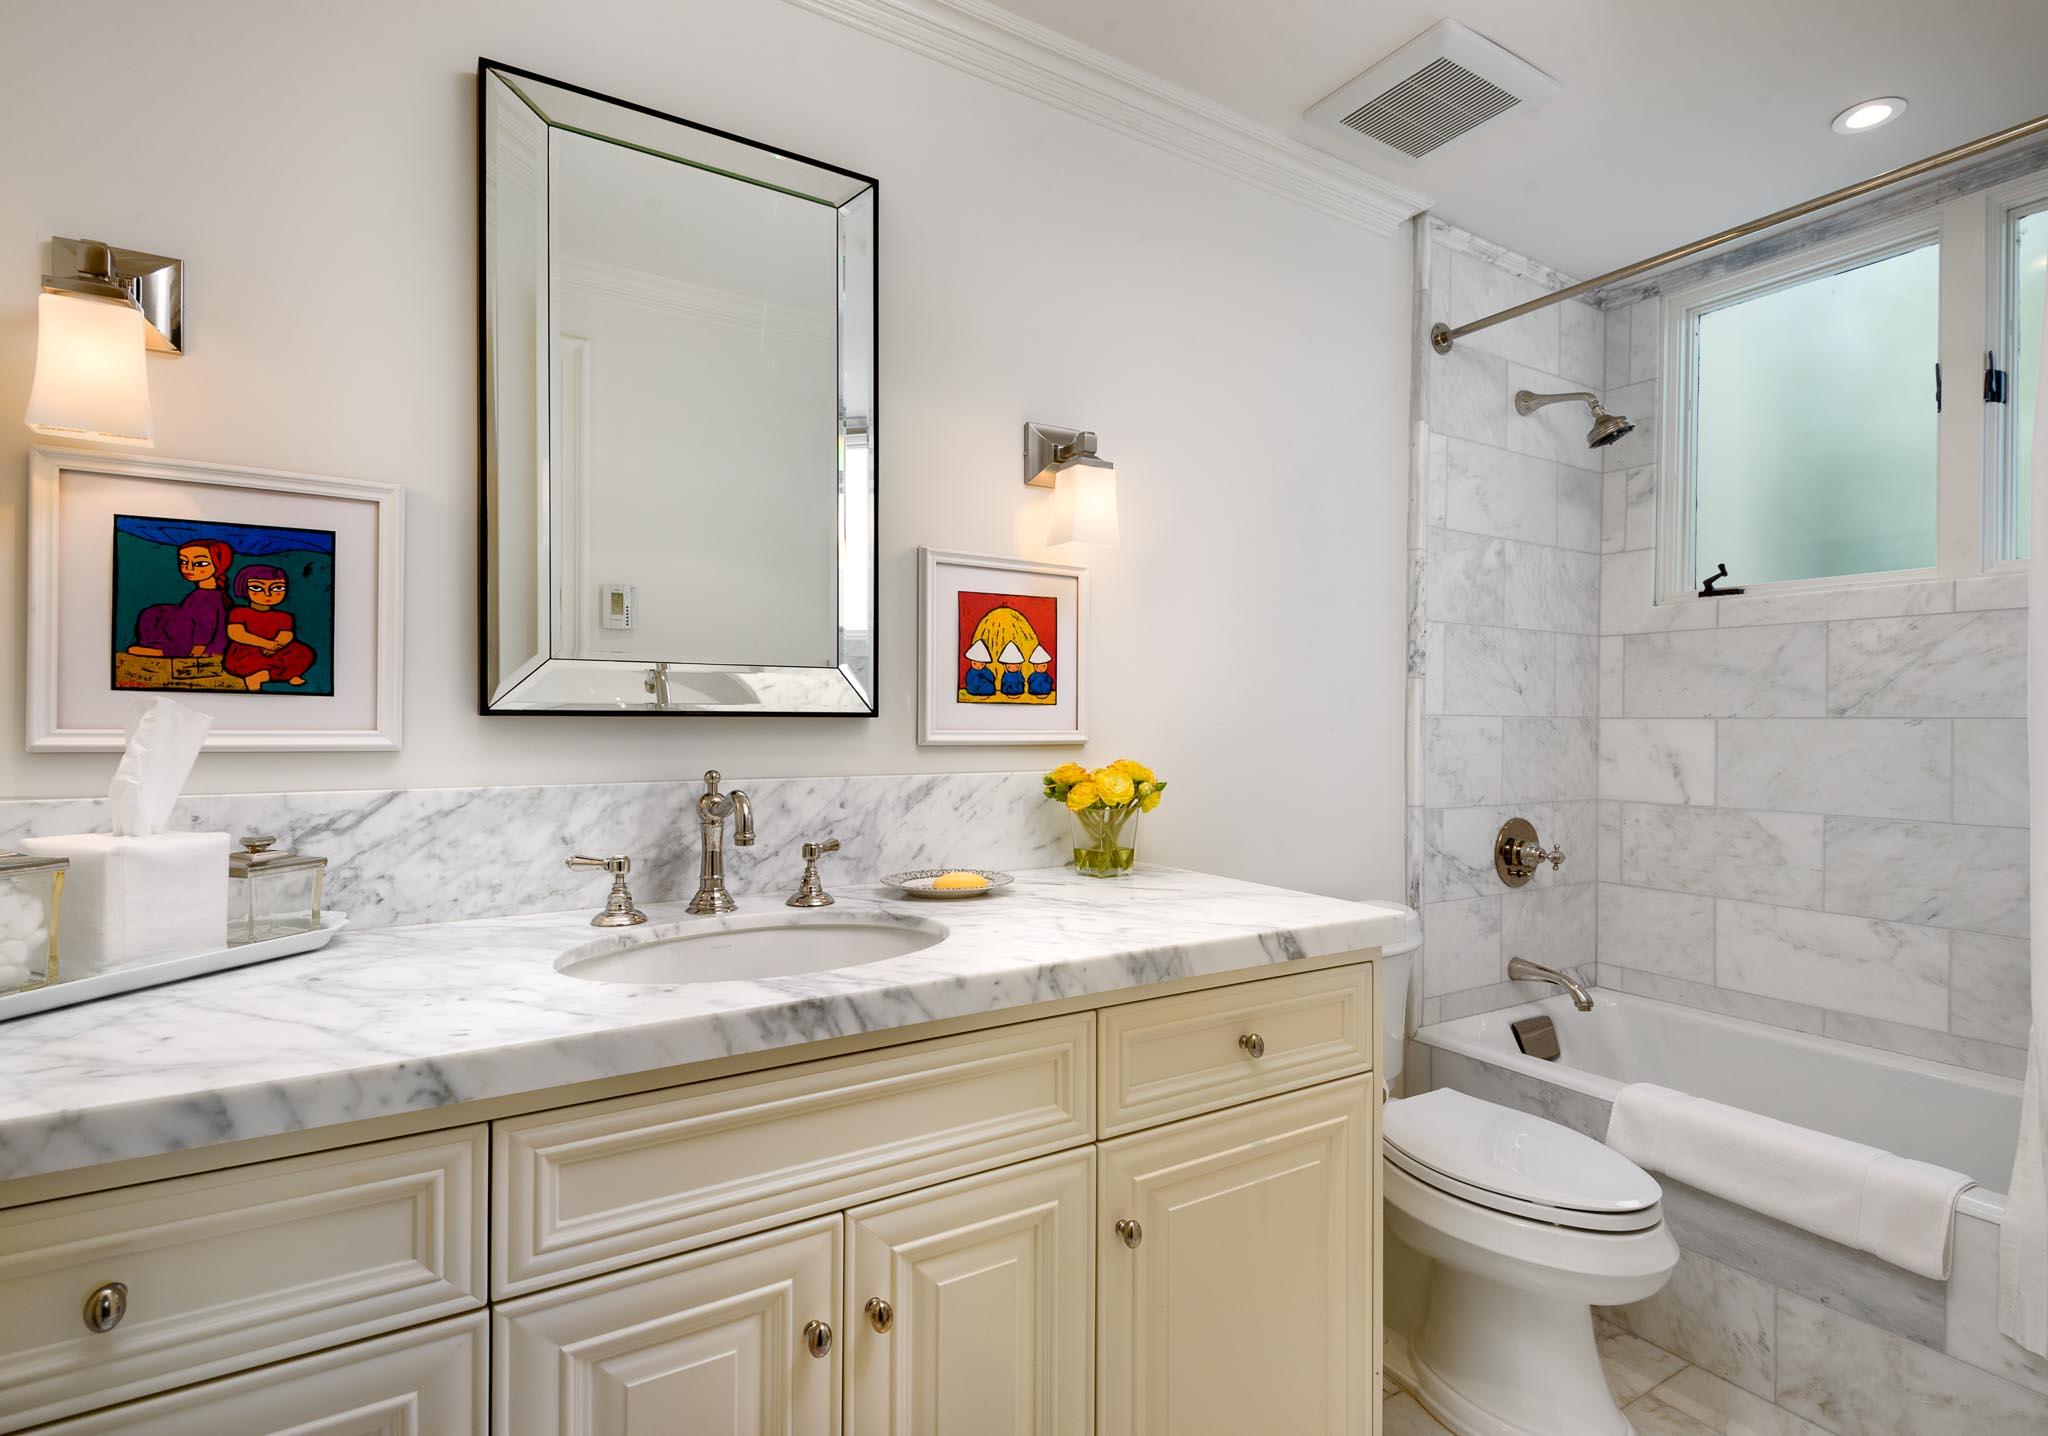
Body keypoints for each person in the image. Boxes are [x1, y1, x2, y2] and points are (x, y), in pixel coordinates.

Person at [127, 540, 232, 658]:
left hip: (205, 647)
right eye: (183, 561)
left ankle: (164, 651)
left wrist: (199, 646)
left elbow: (206, 623)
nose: (189, 568)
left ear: (219, 564)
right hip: (202, 643)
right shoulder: (205, 594)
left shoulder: (205, 596)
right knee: (158, 612)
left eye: (200, 563)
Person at [222, 565, 317, 690]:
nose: (268, 594)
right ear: (244, 588)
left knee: (304, 653)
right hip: (247, 652)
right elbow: (236, 633)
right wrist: (265, 644)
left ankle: (263, 676)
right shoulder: (239, 612)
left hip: (274, 650)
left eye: (277, 588)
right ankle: (284, 674)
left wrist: (276, 645)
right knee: (250, 663)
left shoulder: (284, 616)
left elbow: (287, 635)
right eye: (257, 588)